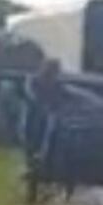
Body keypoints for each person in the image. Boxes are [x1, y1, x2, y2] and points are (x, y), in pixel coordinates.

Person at [22, 59, 67, 196]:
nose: (55, 73)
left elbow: (60, 99)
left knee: (51, 127)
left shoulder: (58, 84)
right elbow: (30, 94)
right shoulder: (33, 80)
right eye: (54, 70)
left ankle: (44, 156)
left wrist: (53, 106)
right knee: (27, 133)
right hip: (33, 114)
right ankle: (31, 161)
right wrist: (41, 104)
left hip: (47, 115)